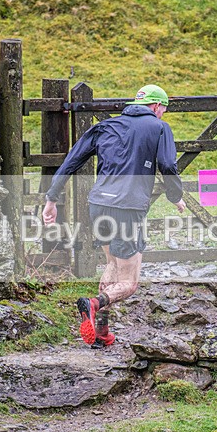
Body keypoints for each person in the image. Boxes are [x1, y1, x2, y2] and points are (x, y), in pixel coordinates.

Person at [42, 84, 185, 348]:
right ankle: (92, 304)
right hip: (127, 209)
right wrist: (175, 196)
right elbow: (167, 164)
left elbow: (70, 161)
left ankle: (101, 333)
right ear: (156, 106)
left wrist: (51, 198)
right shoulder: (159, 128)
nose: (163, 113)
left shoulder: (105, 127)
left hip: (98, 205)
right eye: (163, 109)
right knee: (129, 283)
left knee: (112, 265)